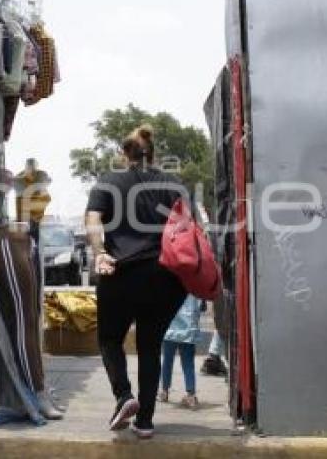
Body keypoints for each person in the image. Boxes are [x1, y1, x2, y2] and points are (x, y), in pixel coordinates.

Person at [85, 124, 187, 439]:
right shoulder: (174, 184)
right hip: (166, 278)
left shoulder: (109, 182)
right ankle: (145, 421)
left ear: (124, 153)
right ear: (151, 153)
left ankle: (124, 396)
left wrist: (100, 253)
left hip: (122, 273)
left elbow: (92, 221)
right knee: (150, 346)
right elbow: (189, 229)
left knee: (110, 339)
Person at [159, 295, 202, 409]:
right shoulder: (194, 283)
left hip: (170, 328)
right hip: (188, 329)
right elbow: (202, 306)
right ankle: (191, 395)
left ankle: (164, 391)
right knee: (188, 363)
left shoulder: (168, 281)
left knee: (167, 360)